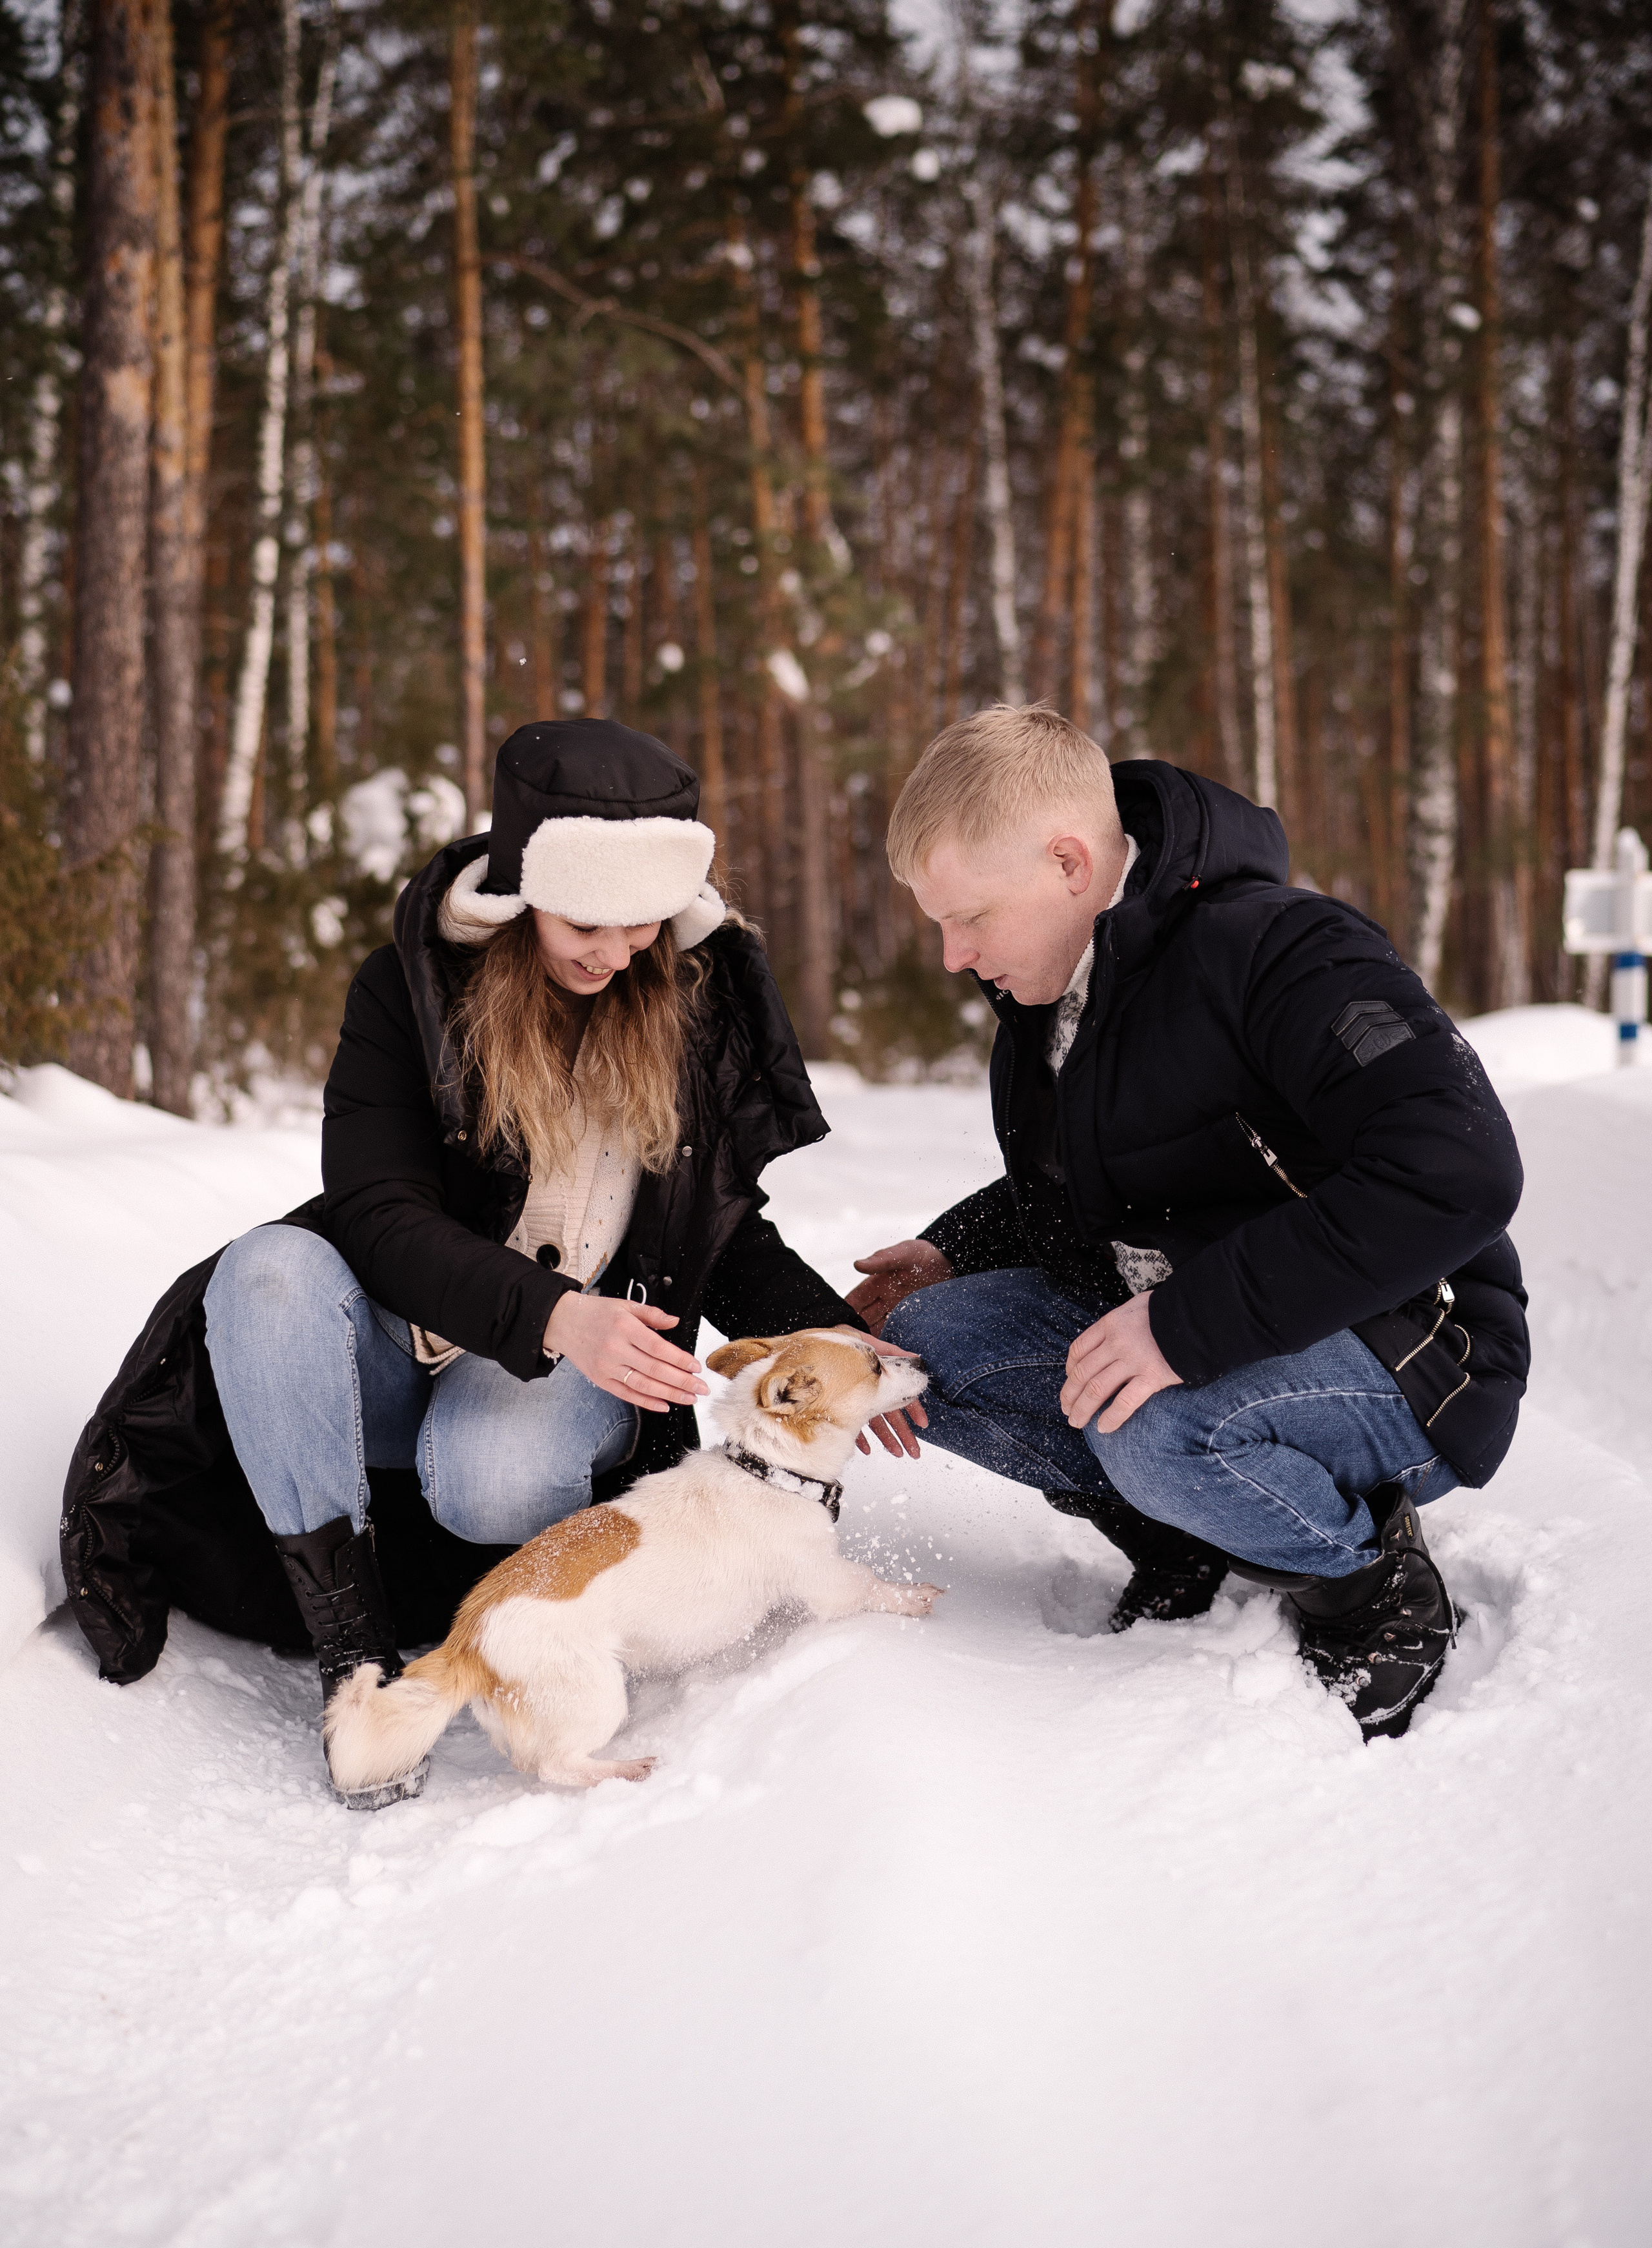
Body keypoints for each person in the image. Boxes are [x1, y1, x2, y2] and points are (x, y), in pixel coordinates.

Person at [61, 718, 915, 1801]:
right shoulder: (409, 991)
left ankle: (530, 1638)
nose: (616, 950)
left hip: (565, 1383)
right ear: (522, 894)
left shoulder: (692, 1005)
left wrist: (841, 1346)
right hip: (399, 1344)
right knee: (267, 1270)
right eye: (587, 922)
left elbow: (719, 1230)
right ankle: (360, 1667)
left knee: (493, 1467)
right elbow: (375, 1212)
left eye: (644, 922)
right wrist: (556, 1311)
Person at [848, 705, 1528, 1740]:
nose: (951, 956)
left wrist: (1180, 1327)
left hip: (1415, 1351)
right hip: (1225, 1328)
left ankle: (1366, 1583)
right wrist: (952, 1250)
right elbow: (1099, 1188)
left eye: (971, 918)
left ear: (1070, 863)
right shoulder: (1045, 1004)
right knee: (924, 1349)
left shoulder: (1286, 951)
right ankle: (1188, 1539)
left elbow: (1460, 1171)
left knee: (1154, 1420)